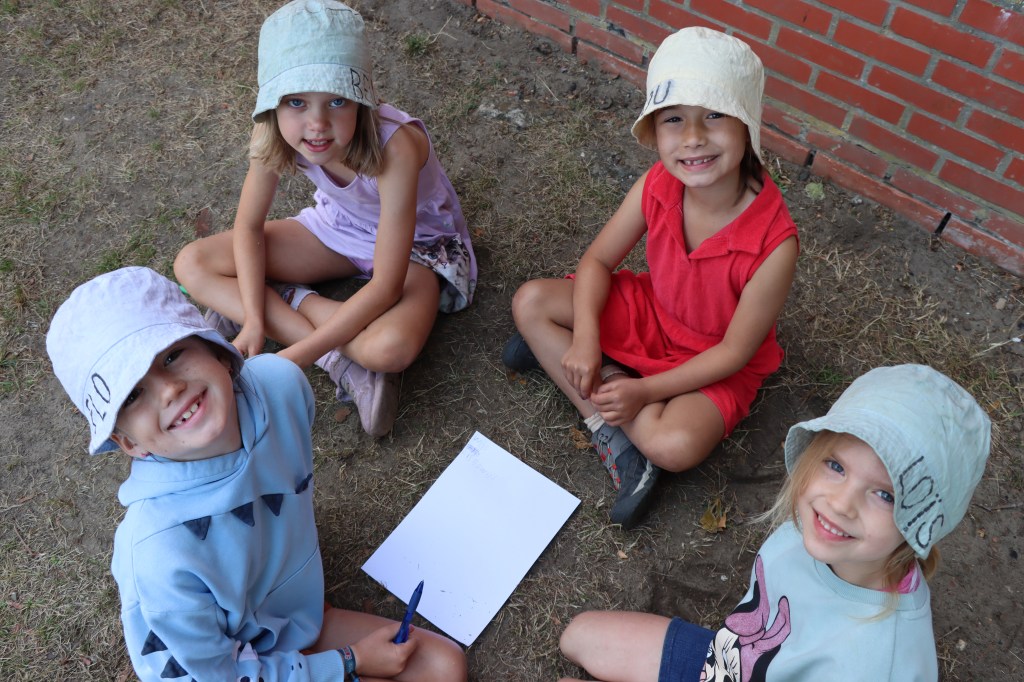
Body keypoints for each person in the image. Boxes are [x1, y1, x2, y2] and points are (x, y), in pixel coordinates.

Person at [46, 267, 467, 682]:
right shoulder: (158, 555)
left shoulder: (281, 387)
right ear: (127, 442)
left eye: (172, 355)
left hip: (296, 619)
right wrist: (347, 662)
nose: (169, 389)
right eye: (134, 394)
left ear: (218, 352)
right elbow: (221, 676)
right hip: (222, 672)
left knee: (444, 668)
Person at [504, 27, 798, 528]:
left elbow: (733, 354)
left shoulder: (775, 244)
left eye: (714, 115)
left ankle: (597, 384)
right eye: (674, 119)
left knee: (674, 446)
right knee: (531, 301)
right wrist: (588, 338)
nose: (693, 137)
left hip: (712, 362)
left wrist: (643, 392)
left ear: (746, 125)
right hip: (654, 314)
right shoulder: (658, 184)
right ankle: (608, 421)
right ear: (655, 130)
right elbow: (598, 262)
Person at [556, 364, 991, 681]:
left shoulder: (879, 663)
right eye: (836, 466)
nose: (840, 504)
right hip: (730, 664)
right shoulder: (817, 529)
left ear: (920, 524)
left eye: (885, 494)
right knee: (579, 637)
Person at [174, 0, 476, 438]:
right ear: (274, 104)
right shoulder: (274, 131)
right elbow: (248, 226)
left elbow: (387, 286)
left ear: (361, 101)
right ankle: (334, 359)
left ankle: (286, 297)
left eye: (336, 101)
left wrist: (290, 356)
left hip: (418, 250)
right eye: (296, 102)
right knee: (193, 263)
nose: (317, 124)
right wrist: (255, 321)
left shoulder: (396, 146)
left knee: (388, 349)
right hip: (337, 227)